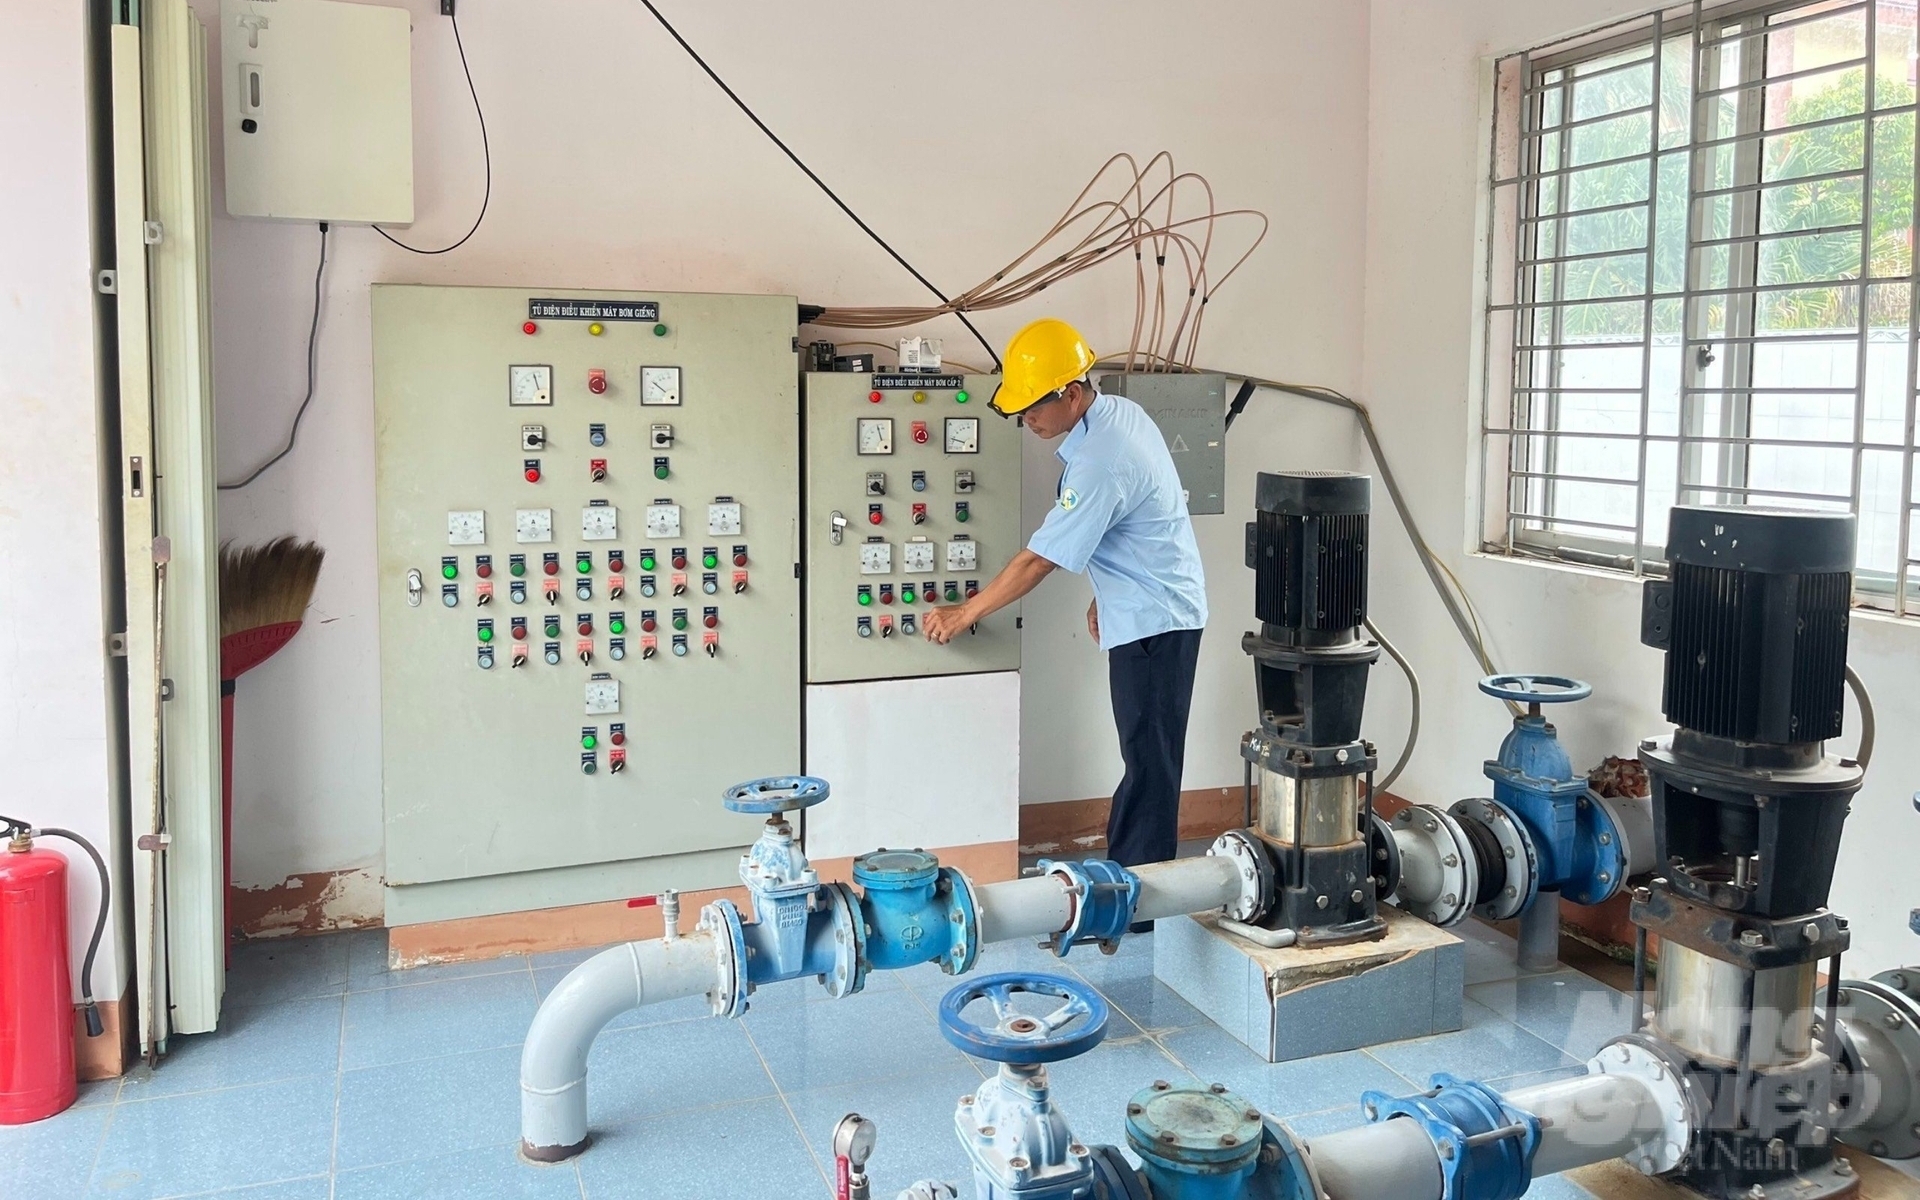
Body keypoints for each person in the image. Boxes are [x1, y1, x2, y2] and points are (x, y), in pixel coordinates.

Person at [923, 319, 1208, 914]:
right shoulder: (1118, 415)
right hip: (1148, 605)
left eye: (1033, 407)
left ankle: (1142, 901)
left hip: (1157, 621)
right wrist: (1108, 589)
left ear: (1071, 395)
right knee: (1145, 752)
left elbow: (1037, 562)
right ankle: (1132, 878)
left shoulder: (1102, 457)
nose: (1027, 420)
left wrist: (963, 614)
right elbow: (1142, 520)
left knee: (1149, 760)